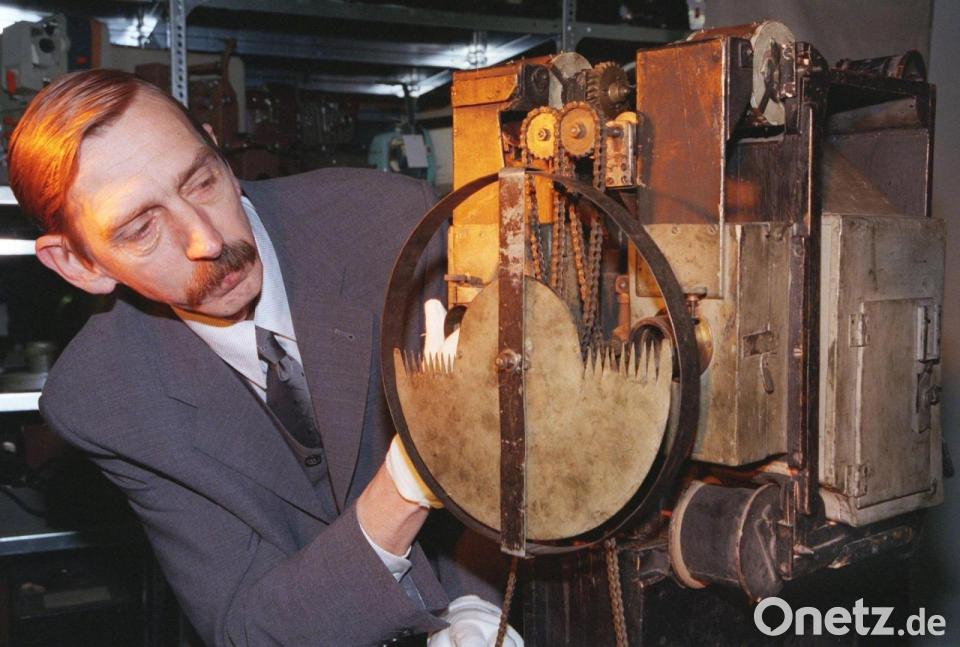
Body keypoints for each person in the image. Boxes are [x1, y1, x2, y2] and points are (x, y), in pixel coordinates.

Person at [8, 69, 518, 646]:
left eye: (202, 181)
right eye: (141, 228)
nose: (206, 240)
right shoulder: (104, 398)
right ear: (79, 265)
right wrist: (402, 490)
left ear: (217, 150)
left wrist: (476, 599)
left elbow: (528, 450)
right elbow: (246, 627)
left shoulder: (394, 226)